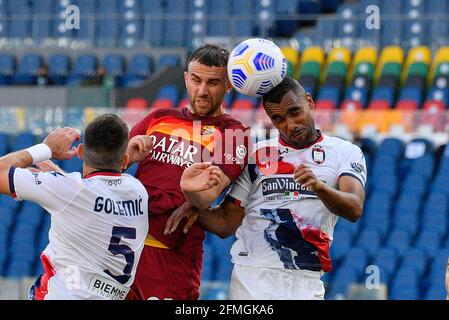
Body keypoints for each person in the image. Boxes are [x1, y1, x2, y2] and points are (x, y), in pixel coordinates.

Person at [166, 76, 367, 300]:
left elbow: (354, 208)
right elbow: (225, 224)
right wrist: (193, 204)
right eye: (278, 119)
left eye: (295, 112)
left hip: (307, 277)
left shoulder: (344, 152)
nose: (290, 125)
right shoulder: (257, 154)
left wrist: (319, 187)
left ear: (309, 102)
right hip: (253, 275)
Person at [125, 44, 251, 300]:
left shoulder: (233, 133)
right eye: (196, 80)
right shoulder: (158, 117)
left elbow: (208, 194)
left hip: (171, 254)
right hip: (124, 247)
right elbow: (109, 168)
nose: (202, 91)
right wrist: (125, 157)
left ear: (229, 85)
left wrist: (191, 198)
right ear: (186, 78)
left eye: (213, 83)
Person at [0, 114, 149, 300]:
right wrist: (57, 176)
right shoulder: (138, 192)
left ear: (80, 152)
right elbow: (96, 192)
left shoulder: (70, 191)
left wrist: (45, 148)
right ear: (125, 161)